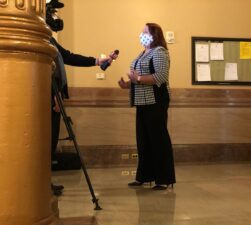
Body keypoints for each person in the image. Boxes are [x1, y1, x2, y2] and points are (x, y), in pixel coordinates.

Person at [46, 0, 114, 195]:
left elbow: (68, 56)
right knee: (45, 140)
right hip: (48, 97)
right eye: (53, 12)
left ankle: (45, 182)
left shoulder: (49, 39)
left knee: (50, 141)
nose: (56, 17)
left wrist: (96, 61)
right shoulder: (39, 37)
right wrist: (54, 94)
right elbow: (45, 71)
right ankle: (40, 183)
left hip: (54, 96)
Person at [118, 23, 176, 190]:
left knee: (158, 140)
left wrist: (139, 79)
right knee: (143, 140)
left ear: (154, 35)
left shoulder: (160, 52)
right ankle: (144, 176)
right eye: (141, 32)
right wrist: (127, 85)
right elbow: (138, 78)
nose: (141, 34)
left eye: (145, 32)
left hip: (156, 101)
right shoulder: (142, 53)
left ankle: (163, 179)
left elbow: (160, 77)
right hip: (142, 102)